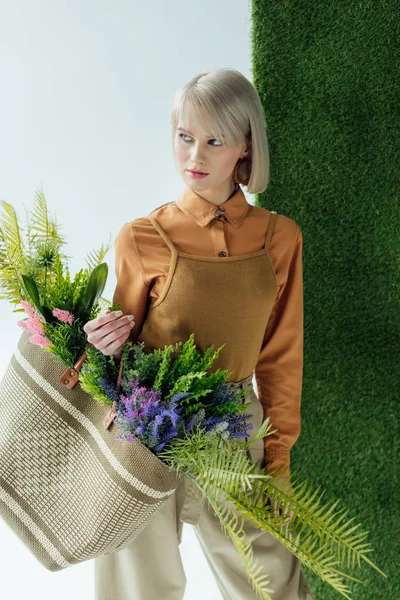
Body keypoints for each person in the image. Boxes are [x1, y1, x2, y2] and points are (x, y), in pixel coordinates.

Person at [84, 68, 314, 600]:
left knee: (271, 585)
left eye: (214, 140)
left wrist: (277, 462)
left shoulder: (279, 238)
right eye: (185, 137)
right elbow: (117, 363)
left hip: (235, 432)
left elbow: (280, 357)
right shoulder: (142, 236)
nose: (195, 156)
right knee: (136, 588)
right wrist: (100, 344)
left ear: (245, 147)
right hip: (147, 431)